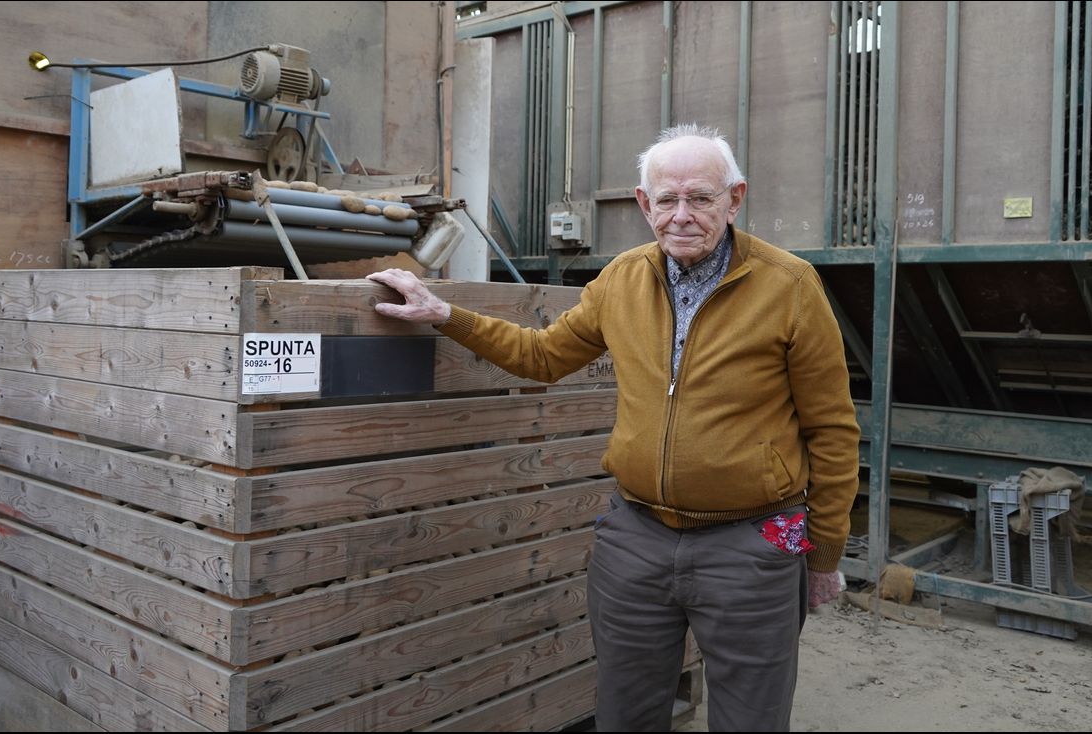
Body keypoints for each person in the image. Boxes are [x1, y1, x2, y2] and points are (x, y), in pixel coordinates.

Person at [367, 123, 860, 732]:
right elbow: (543, 356)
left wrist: (823, 556)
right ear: (643, 203)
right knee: (625, 714)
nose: (682, 215)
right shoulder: (621, 280)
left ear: (735, 199)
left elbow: (833, 431)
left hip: (753, 544)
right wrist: (445, 313)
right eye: (667, 199)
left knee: (751, 720)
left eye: (701, 198)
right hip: (636, 540)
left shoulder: (789, 286)